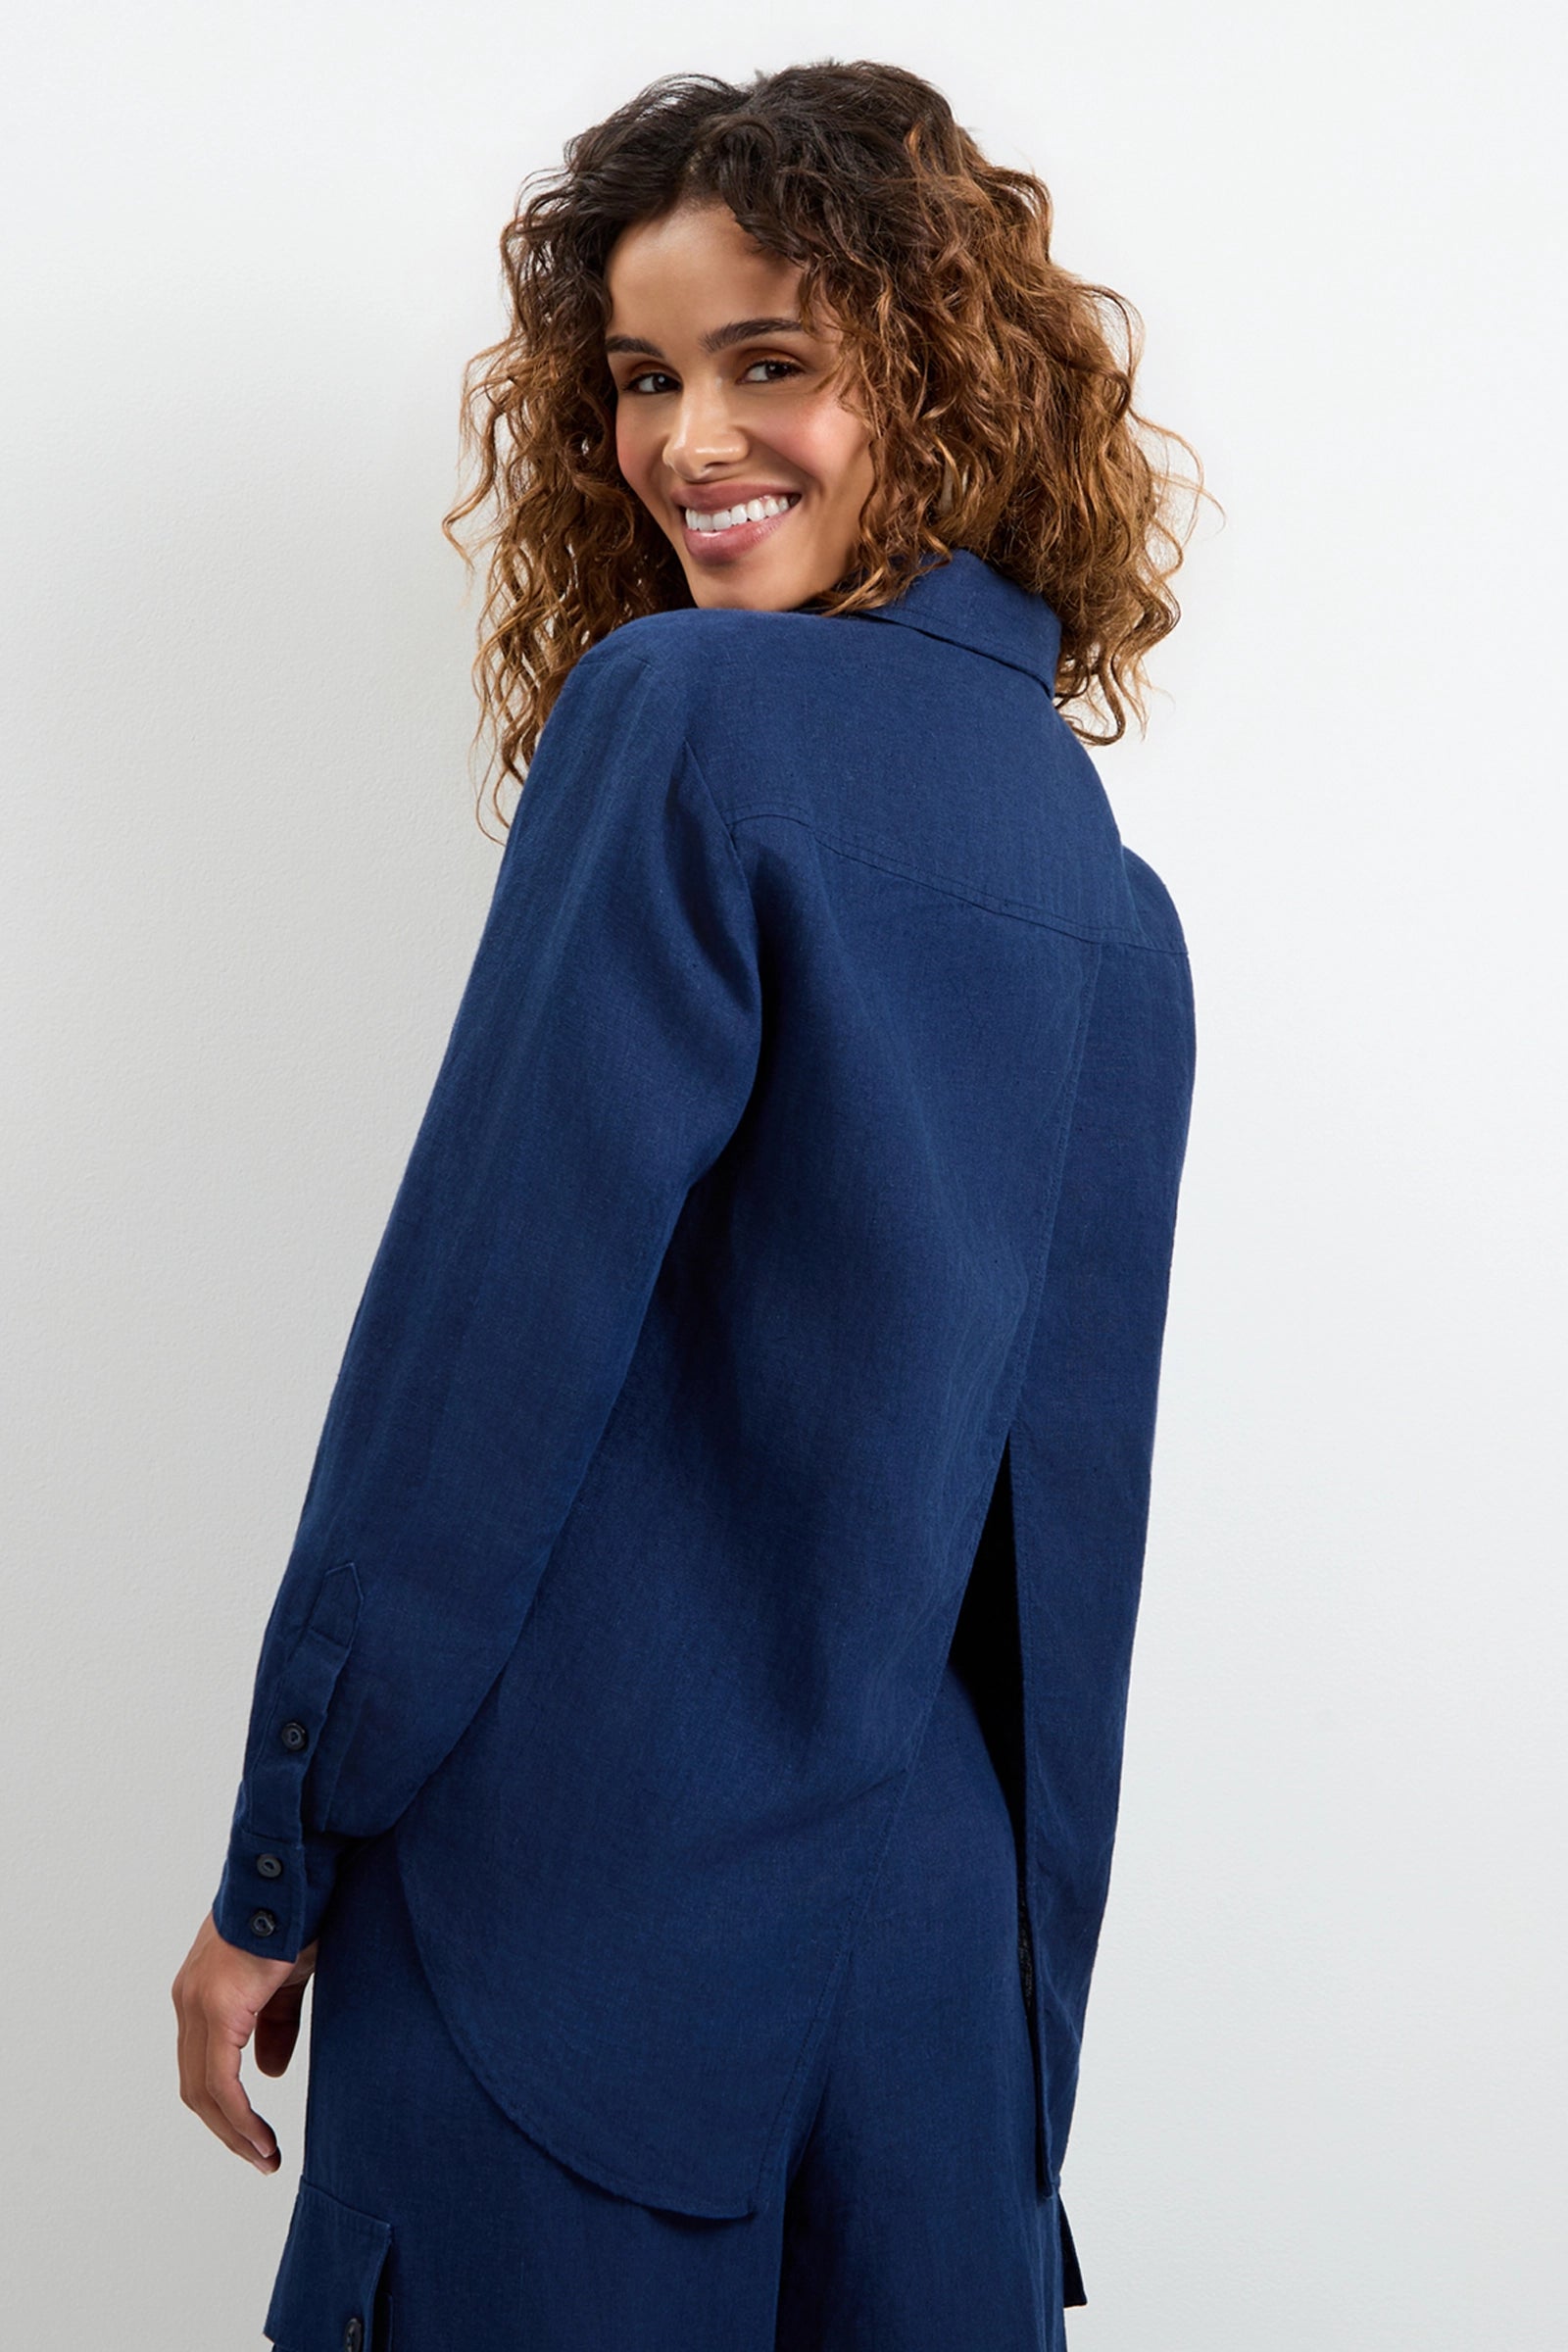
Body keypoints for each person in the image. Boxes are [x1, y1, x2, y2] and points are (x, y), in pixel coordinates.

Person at [171, 59, 1201, 2352]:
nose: (682, 443)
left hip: (578, 1893)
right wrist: (1017, 2056)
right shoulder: (1105, 895)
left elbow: (480, 1351)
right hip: (935, 1965)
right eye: (641, 376)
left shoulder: (678, 718)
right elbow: (1067, 1571)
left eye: (771, 362)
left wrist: (279, 1853)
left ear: (932, 380)